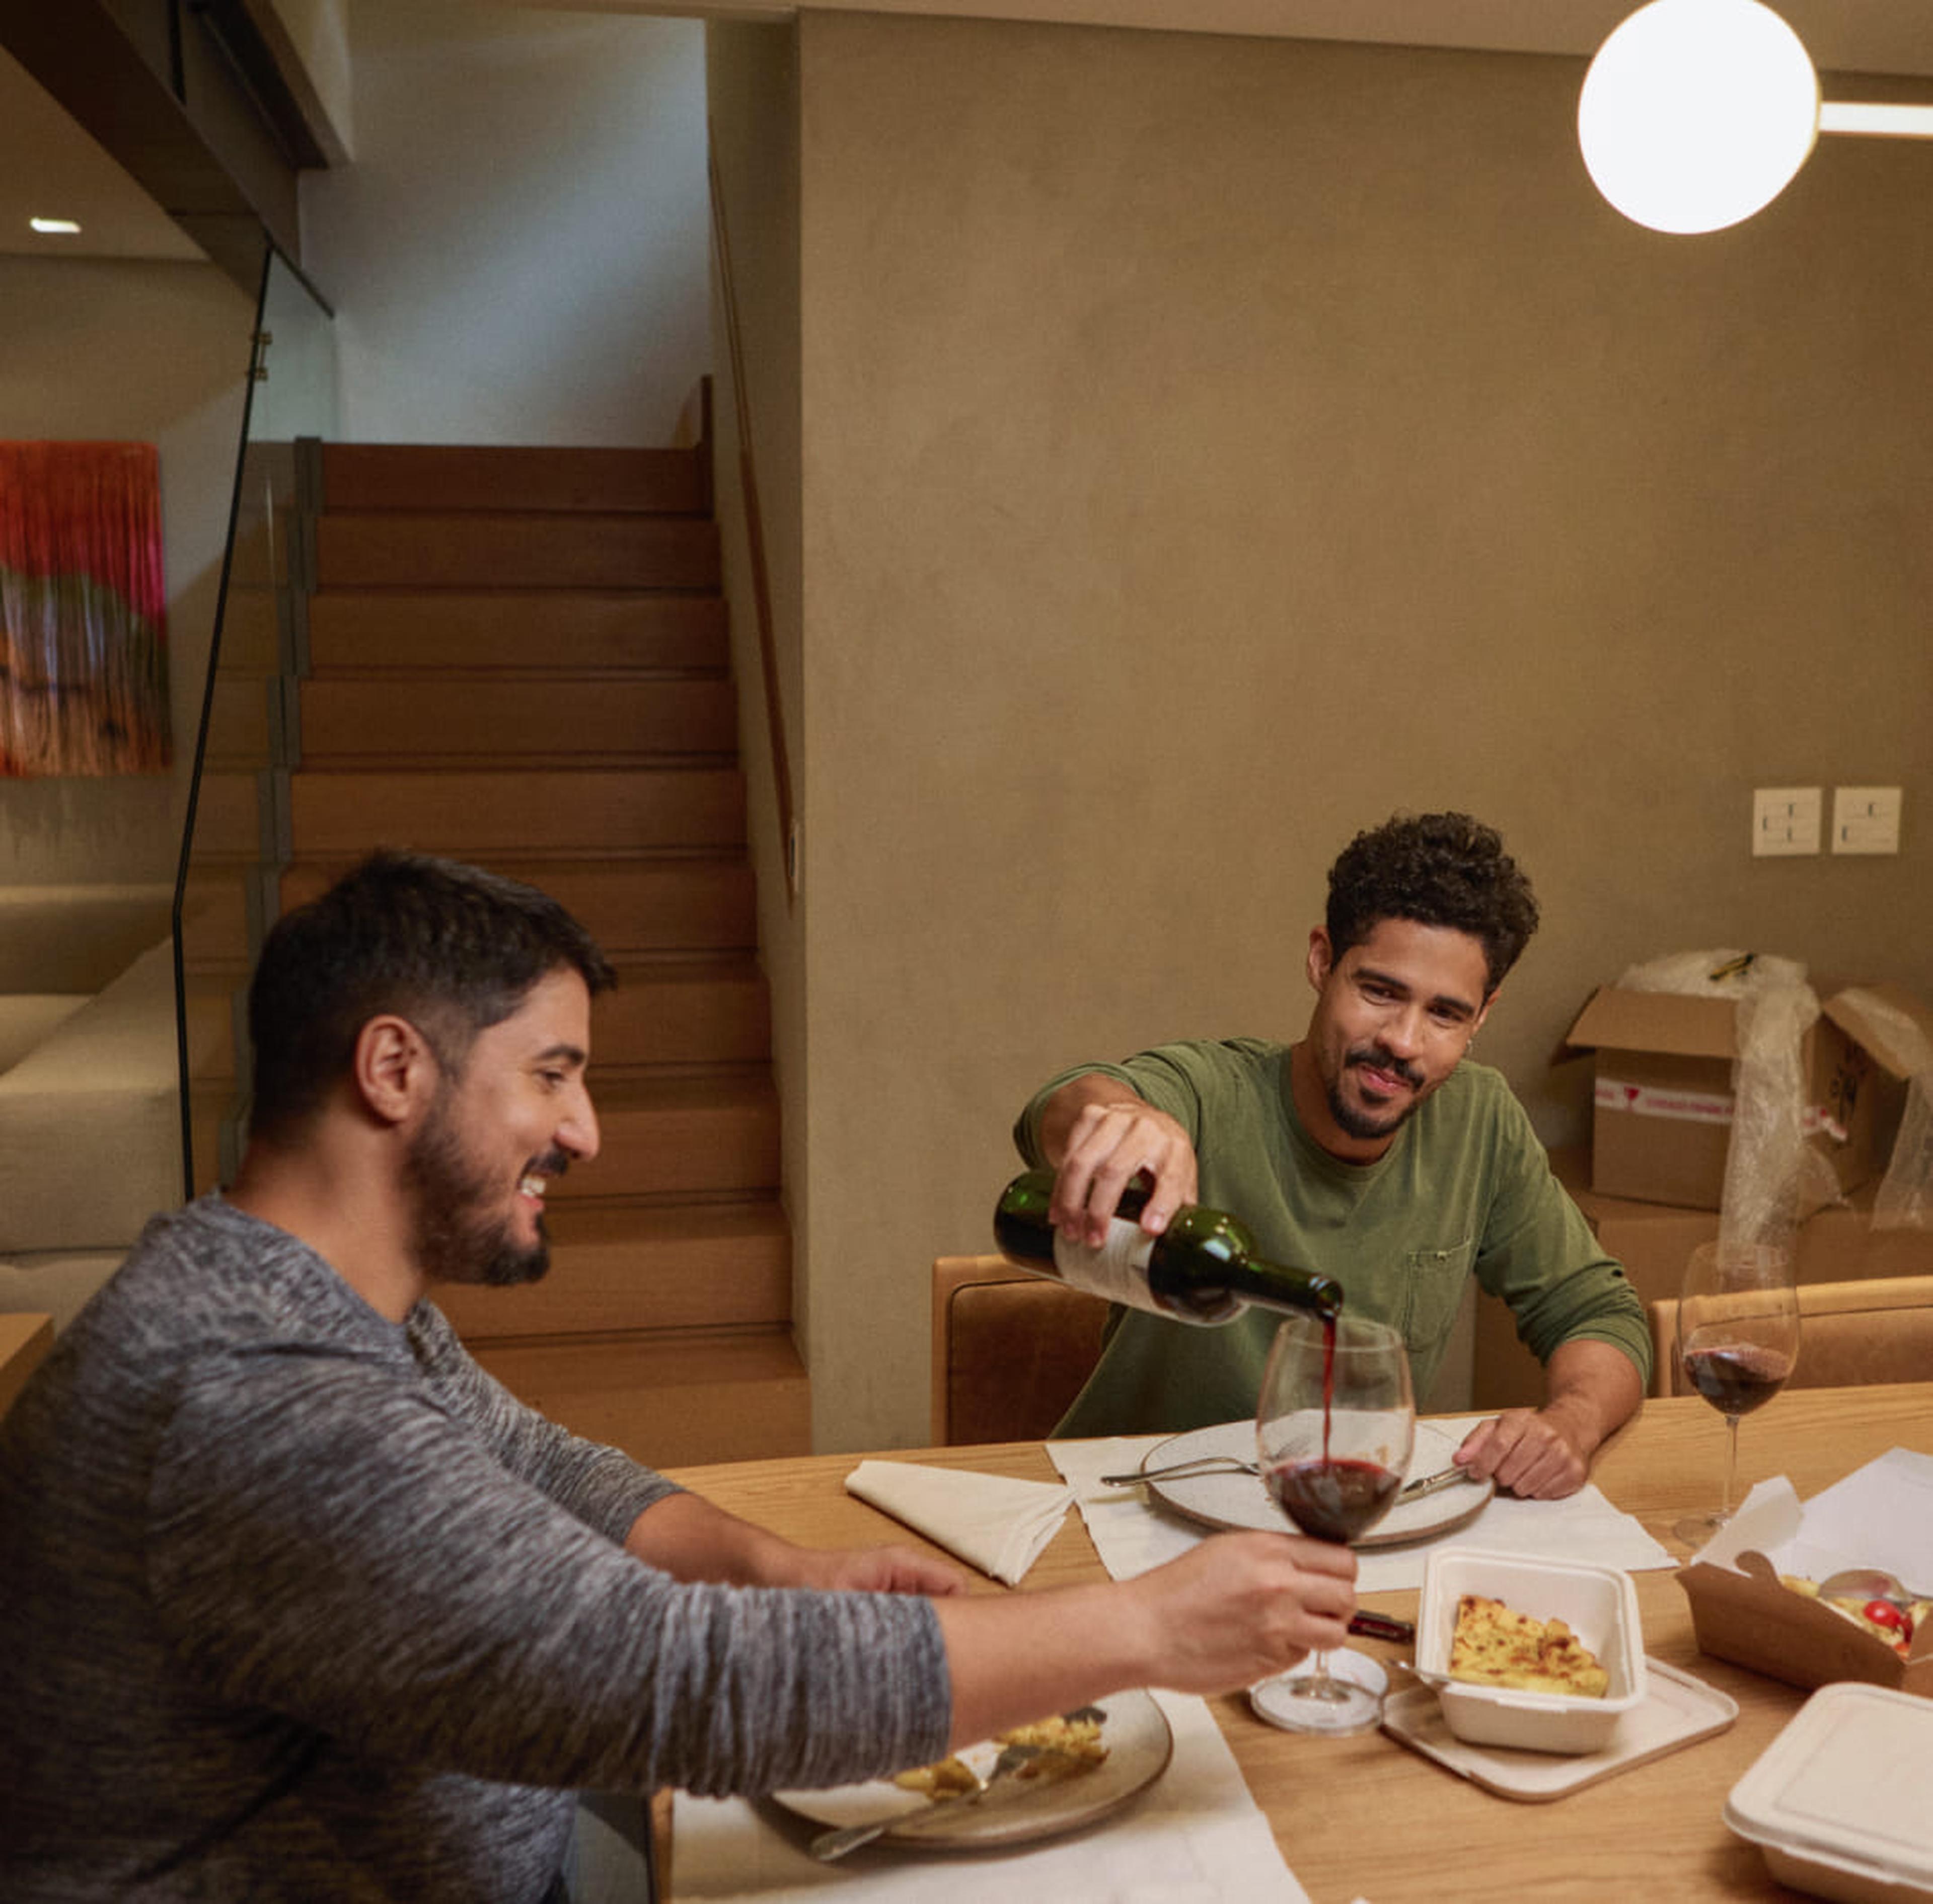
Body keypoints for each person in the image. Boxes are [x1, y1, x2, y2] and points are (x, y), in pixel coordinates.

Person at [0, 851, 1356, 1903]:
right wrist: (1145, 1632)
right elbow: (674, 1679)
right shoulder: (253, 1399)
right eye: (551, 1076)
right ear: (395, 1067)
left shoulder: (311, 1303)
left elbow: (538, 1466)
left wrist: (771, 1563)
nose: (584, 1131)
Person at [1015, 810, 1651, 1499]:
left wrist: (1573, 1422)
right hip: (1134, 1510)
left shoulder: (1481, 1118)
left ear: (1483, 1015)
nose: (1404, 1041)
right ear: (1322, 961)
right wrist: (1122, 1118)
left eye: (1445, 1014)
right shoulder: (1214, 1093)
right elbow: (1060, 1109)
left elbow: (1599, 1312)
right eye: (1380, 992)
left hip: (1340, 1512)